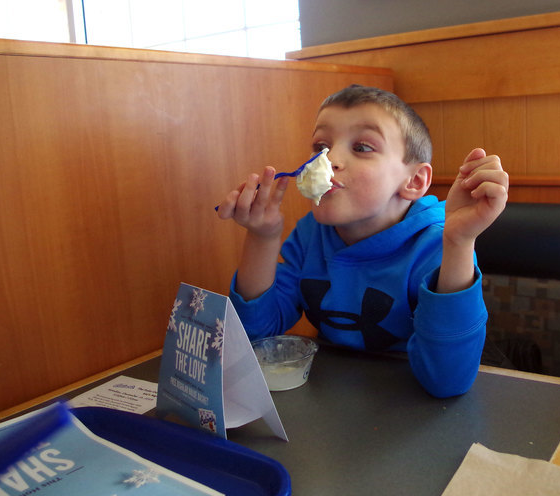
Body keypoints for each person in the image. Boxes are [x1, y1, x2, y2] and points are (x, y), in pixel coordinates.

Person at [217, 85, 509, 398]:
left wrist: (459, 243)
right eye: (321, 146)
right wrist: (262, 238)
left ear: (414, 181)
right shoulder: (310, 234)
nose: (329, 159)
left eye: (362, 147)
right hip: (339, 399)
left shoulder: (436, 245)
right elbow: (254, 337)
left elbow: (446, 381)